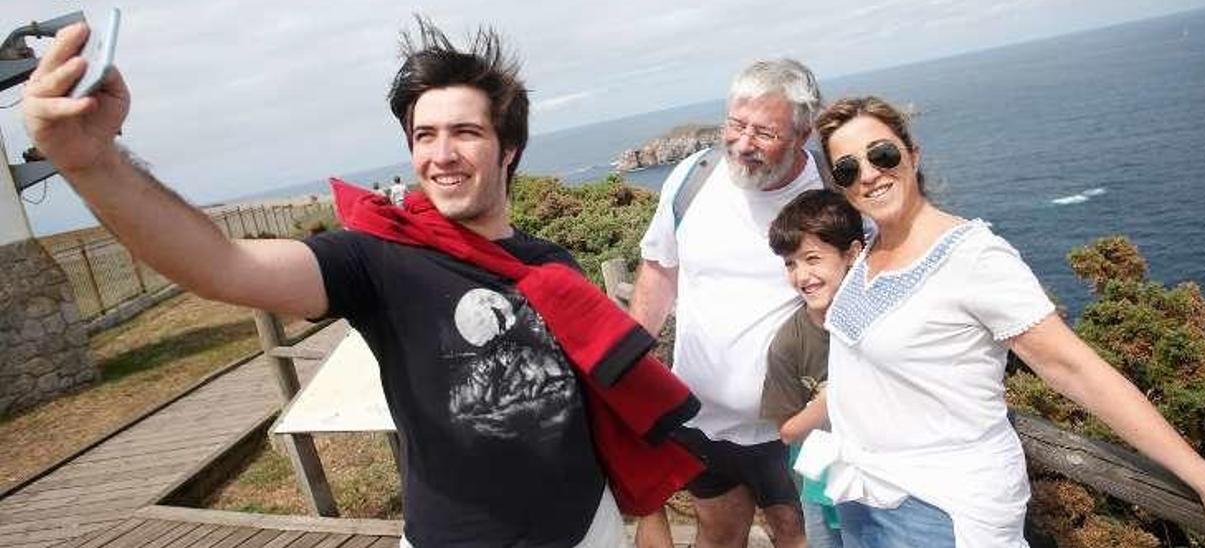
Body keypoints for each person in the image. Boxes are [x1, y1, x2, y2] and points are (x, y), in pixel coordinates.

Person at [21, 18, 700, 548]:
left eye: (465, 132)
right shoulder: (376, 259)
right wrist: (93, 164)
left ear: (510, 148)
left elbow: (595, 404)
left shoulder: (552, 264)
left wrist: (644, 518)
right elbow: (223, 267)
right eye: (423, 134)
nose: (440, 155)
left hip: (590, 527)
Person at [798, 95, 1205, 548]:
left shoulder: (973, 259)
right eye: (847, 168)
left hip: (939, 509)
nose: (869, 174)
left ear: (913, 155)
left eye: (882, 154)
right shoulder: (868, 252)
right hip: (866, 497)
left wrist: (1203, 475)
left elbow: (1074, 370)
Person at [628, 58, 825, 548]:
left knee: (798, 536)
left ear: (802, 135)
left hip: (795, 429)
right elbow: (658, 271)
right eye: (735, 124)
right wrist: (627, 367)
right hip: (701, 417)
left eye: (764, 132)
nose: (742, 144)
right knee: (718, 533)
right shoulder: (692, 180)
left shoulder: (830, 194)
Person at [760, 189, 865, 548]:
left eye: (812, 259)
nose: (802, 275)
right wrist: (831, 400)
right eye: (791, 263)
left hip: (882, 483)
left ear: (851, 253)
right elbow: (787, 431)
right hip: (820, 489)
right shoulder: (790, 341)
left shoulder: (880, 322)